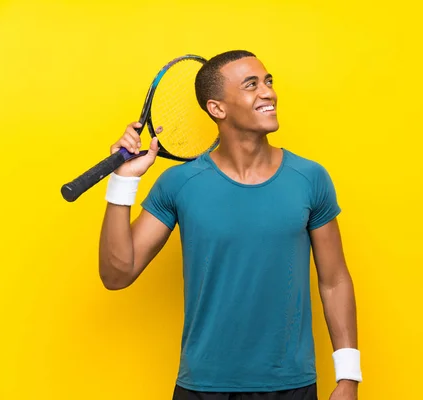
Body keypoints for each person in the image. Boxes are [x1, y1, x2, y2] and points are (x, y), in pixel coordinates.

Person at [98, 50, 361, 400]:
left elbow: (334, 280)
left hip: (290, 387)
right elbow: (117, 274)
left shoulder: (310, 178)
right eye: (251, 85)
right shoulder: (180, 183)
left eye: (268, 82)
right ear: (217, 108)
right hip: (203, 388)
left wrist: (348, 377)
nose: (268, 92)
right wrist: (122, 182)